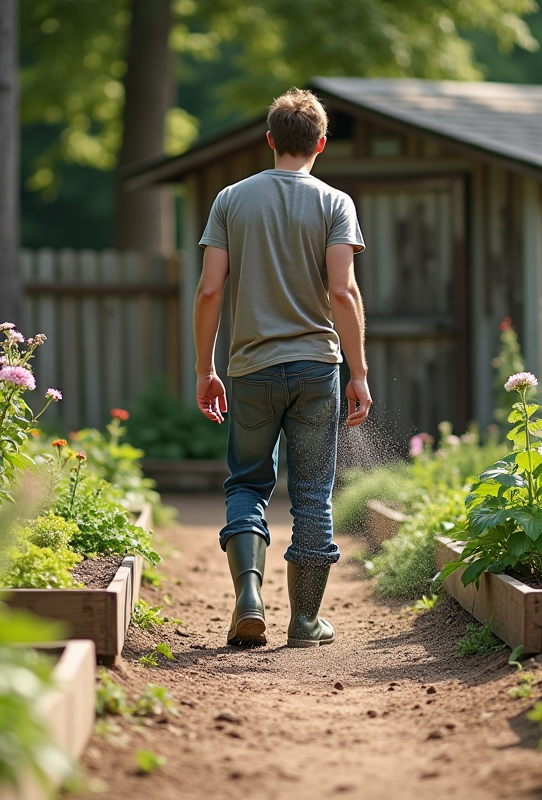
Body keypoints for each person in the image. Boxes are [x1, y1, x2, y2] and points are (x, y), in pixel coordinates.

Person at [193, 88, 370, 648]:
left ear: (269, 139)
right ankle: (305, 621)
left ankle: (249, 599)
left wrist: (205, 369)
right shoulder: (335, 203)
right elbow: (342, 292)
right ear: (321, 142)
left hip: (249, 369)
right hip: (318, 369)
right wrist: (359, 373)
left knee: (247, 483)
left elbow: (209, 291)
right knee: (314, 493)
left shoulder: (230, 200)